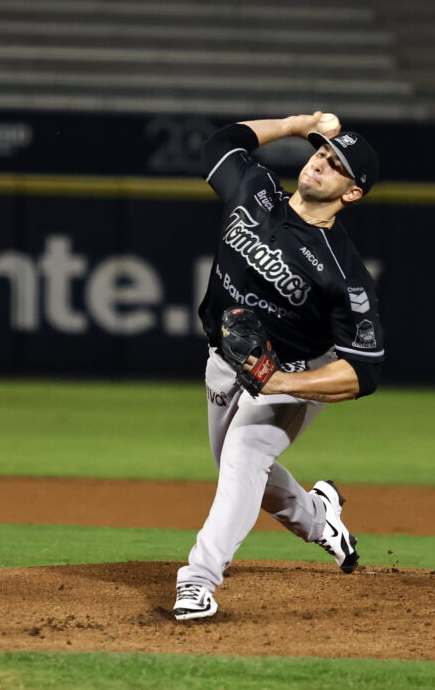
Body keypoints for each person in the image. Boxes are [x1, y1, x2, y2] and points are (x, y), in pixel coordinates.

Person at [173, 112, 385, 620]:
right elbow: (224, 140)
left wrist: (281, 383)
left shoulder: (343, 273)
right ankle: (320, 519)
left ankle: (198, 580)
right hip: (224, 362)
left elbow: (364, 371)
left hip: (291, 375)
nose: (319, 163)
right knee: (241, 471)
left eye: (336, 166)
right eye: (321, 152)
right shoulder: (254, 189)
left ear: (350, 194)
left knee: (243, 460)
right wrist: (298, 122)